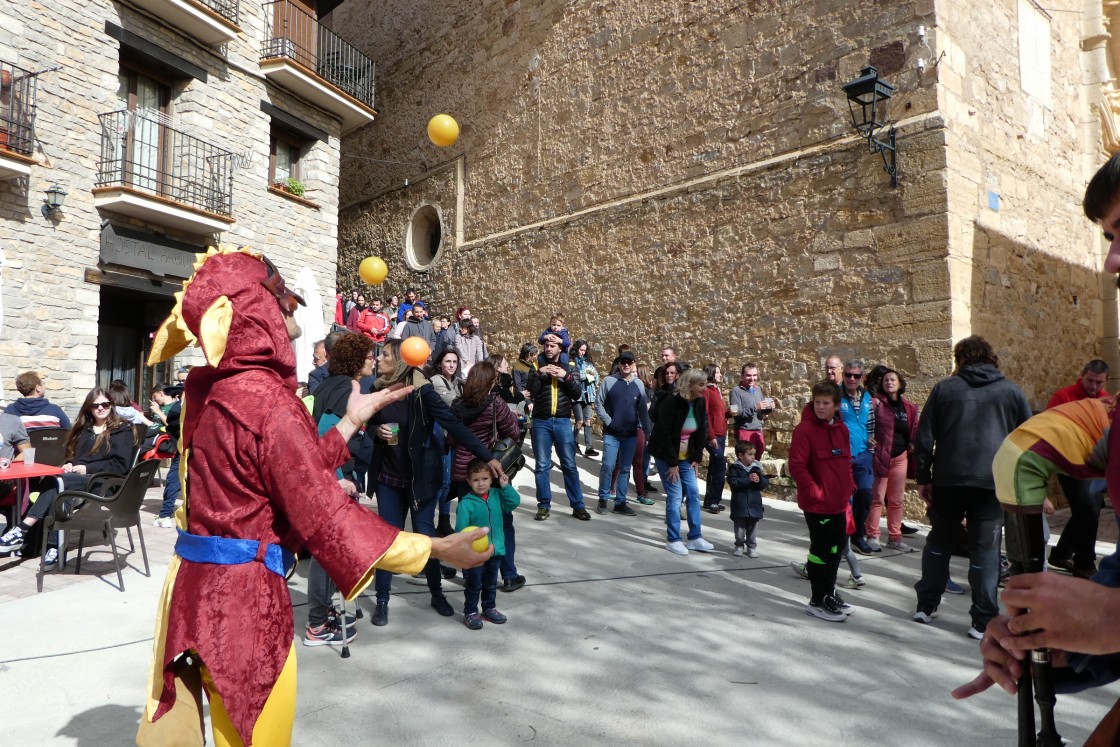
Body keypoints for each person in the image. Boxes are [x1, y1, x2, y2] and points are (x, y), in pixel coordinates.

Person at [136, 246, 491, 747]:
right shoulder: (267, 402)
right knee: (254, 732)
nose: (292, 311)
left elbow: (281, 477)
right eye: (282, 300)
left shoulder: (211, 390)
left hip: (189, 588)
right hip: (242, 603)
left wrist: (351, 420)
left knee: (174, 732)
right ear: (255, 310)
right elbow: (324, 513)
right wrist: (431, 548)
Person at [367, 339, 504, 627]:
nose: (379, 360)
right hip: (388, 478)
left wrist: (487, 456)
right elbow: (365, 423)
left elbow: (454, 426)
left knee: (426, 537)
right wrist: (374, 431)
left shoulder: (423, 393)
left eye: (385, 356)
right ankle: (382, 599)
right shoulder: (377, 390)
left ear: (402, 361)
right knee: (387, 539)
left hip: (421, 479)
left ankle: (436, 593)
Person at [912, 335, 1032, 639]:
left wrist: (924, 478)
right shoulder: (1011, 392)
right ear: (990, 356)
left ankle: (926, 606)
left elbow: (925, 437)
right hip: (992, 483)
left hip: (949, 479)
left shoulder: (945, 389)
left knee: (940, 542)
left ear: (960, 358)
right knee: (986, 551)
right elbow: (1029, 441)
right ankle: (982, 620)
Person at [0, 387, 131, 568]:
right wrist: (69, 463)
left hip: (106, 481)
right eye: (95, 405)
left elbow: (121, 466)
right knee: (57, 483)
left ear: (111, 405)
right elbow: (74, 456)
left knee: (59, 483)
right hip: (79, 479)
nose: (100, 408)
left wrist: (88, 468)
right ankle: (54, 547)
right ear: (89, 408)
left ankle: (23, 528)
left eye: (105, 404)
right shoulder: (84, 429)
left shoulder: (121, 430)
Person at [302, 332, 377, 646]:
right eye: (370, 355)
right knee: (326, 554)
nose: (374, 359)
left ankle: (323, 612)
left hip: (339, 478)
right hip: (333, 483)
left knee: (333, 551)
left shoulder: (337, 384)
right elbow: (323, 436)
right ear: (357, 360)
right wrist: (337, 479)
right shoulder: (343, 387)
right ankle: (317, 625)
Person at [451, 363, 526, 592]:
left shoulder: (457, 405)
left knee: (469, 524)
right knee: (502, 524)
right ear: (491, 382)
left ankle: (470, 572)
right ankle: (509, 574)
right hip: (490, 471)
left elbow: (451, 439)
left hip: (463, 471)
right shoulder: (495, 403)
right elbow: (513, 433)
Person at [789, 380, 855, 622]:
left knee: (837, 550)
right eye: (817, 402)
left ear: (837, 406)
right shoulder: (804, 430)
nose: (820, 407)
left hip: (839, 503)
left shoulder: (842, 430)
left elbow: (846, 461)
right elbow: (797, 466)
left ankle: (830, 592)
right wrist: (815, 492)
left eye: (826, 403)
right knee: (821, 551)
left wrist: (849, 486)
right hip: (817, 505)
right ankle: (817, 600)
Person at [1046, 359, 1110, 578]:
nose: (1093, 386)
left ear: (1106, 381)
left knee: (1089, 509)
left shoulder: (1106, 401)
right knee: (1087, 509)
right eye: (1090, 380)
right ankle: (1084, 562)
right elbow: (1049, 427)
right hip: (1070, 464)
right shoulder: (1063, 397)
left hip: (1096, 466)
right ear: (1082, 375)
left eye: (1098, 382)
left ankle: (1061, 552)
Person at [648, 367, 713, 555]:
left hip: (686, 458)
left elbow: (702, 430)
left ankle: (695, 537)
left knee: (693, 493)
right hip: (666, 456)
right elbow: (665, 434)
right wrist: (672, 463)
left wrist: (697, 457)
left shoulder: (699, 402)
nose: (704, 388)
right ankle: (673, 539)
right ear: (690, 385)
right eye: (701, 385)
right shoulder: (671, 402)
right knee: (676, 496)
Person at [528, 335, 591, 521]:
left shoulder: (570, 367)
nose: (548, 348)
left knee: (569, 465)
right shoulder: (536, 367)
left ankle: (578, 505)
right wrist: (540, 374)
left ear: (560, 348)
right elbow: (531, 391)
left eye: (552, 345)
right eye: (546, 345)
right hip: (541, 421)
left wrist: (566, 376)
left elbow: (578, 393)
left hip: (563, 421)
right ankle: (543, 505)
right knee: (541, 466)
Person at [456, 458, 520, 629]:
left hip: (494, 550)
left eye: (484, 479)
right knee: (474, 584)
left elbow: (514, 502)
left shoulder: (497, 496)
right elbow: (460, 532)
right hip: (474, 555)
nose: (481, 484)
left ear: (491, 479)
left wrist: (506, 486)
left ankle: (489, 608)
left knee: (491, 583)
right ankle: (470, 612)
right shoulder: (466, 504)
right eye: (476, 480)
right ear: (469, 482)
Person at [866, 367, 919, 553]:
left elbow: (913, 428)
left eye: (893, 380)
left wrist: (912, 442)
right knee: (877, 498)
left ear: (900, 384)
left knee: (896, 500)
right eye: (886, 380)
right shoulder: (875, 404)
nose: (889, 382)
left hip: (900, 458)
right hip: (881, 455)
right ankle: (872, 536)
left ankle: (895, 538)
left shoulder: (909, 408)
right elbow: (867, 424)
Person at [593, 350, 652, 516]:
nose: (626, 364)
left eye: (629, 362)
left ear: (633, 364)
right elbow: (599, 404)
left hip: (631, 434)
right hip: (612, 433)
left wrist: (647, 431)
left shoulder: (638, 384)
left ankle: (620, 502)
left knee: (625, 469)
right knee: (608, 465)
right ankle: (603, 498)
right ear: (619, 363)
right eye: (623, 361)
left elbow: (642, 410)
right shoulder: (609, 381)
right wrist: (609, 422)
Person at [837, 360, 876, 556]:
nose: (852, 379)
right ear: (843, 375)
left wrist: (871, 441)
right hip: (842, 455)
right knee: (847, 500)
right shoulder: (835, 395)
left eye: (856, 376)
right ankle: (845, 539)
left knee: (866, 495)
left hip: (863, 454)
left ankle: (858, 535)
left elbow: (870, 425)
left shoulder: (868, 397)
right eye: (848, 375)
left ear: (861, 377)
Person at [430, 347, 463, 537]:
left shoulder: (458, 383)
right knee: (442, 481)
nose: (451, 365)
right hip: (440, 437)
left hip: (454, 438)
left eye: (454, 362)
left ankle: (444, 520)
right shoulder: (435, 381)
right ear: (440, 363)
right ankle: (432, 520)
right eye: (448, 361)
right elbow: (451, 405)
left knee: (449, 481)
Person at [727, 440, 768, 558]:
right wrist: (747, 479)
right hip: (739, 505)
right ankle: (739, 545)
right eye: (749, 454)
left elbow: (764, 482)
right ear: (740, 456)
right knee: (740, 529)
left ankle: (751, 547)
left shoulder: (757, 468)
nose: (753, 457)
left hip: (754, 505)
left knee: (753, 529)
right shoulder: (735, 468)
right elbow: (733, 482)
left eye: (753, 454)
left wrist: (759, 480)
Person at [152, 383, 183, 529]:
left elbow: (172, 425)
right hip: (187, 448)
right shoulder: (181, 406)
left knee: (174, 479)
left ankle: (164, 515)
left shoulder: (180, 407)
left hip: (189, 449)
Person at [729, 363, 773, 461]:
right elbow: (736, 414)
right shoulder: (735, 392)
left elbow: (760, 411)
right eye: (748, 375)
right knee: (746, 461)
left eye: (754, 375)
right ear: (742, 376)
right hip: (744, 431)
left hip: (758, 430)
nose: (752, 378)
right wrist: (754, 407)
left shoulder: (758, 389)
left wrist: (769, 408)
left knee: (757, 460)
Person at [701, 363, 729, 513]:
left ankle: (709, 499)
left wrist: (729, 414)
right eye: (718, 372)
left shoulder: (717, 390)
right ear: (711, 374)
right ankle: (714, 501)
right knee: (720, 466)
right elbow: (705, 414)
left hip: (721, 433)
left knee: (714, 467)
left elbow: (717, 413)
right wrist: (710, 436)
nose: (720, 375)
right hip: (713, 435)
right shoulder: (707, 391)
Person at [4, 371, 71, 430]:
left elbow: (4, 436)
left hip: (22, 444)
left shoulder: (10, 411)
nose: (45, 387)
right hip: (49, 444)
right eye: (43, 384)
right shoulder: (55, 411)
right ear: (38, 388)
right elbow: (69, 433)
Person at [570, 339, 599, 456]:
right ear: (576, 350)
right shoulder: (572, 363)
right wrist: (585, 375)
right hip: (577, 396)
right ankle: (574, 443)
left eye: (585, 350)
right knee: (579, 421)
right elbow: (573, 376)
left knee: (587, 421)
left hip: (588, 395)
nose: (583, 352)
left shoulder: (589, 364)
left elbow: (596, 376)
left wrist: (591, 376)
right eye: (581, 350)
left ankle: (589, 447)